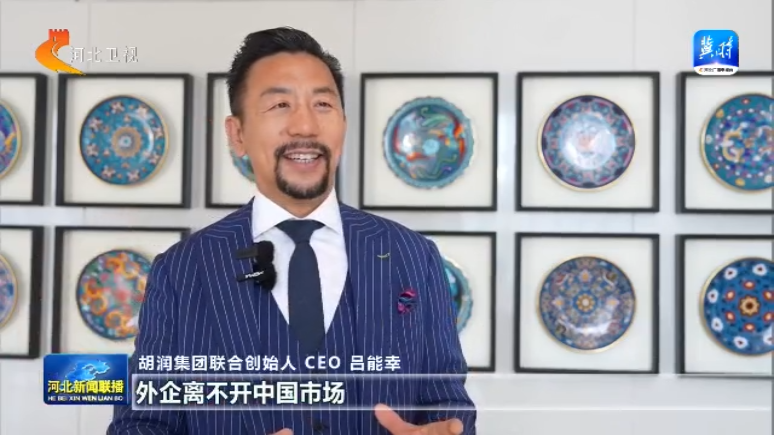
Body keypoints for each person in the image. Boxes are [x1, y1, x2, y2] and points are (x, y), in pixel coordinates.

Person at [108, 27, 476, 435]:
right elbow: (140, 423)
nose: (305, 126)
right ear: (237, 134)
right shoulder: (182, 270)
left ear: (343, 125)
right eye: (280, 104)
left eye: (322, 104)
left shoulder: (413, 256)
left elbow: (448, 402)